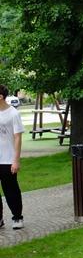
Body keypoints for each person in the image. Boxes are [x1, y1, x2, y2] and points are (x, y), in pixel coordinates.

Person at [0, 83, 24, 229]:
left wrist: (16, 160)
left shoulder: (13, 114)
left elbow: (17, 138)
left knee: (11, 190)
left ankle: (17, 217)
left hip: (8, 159)